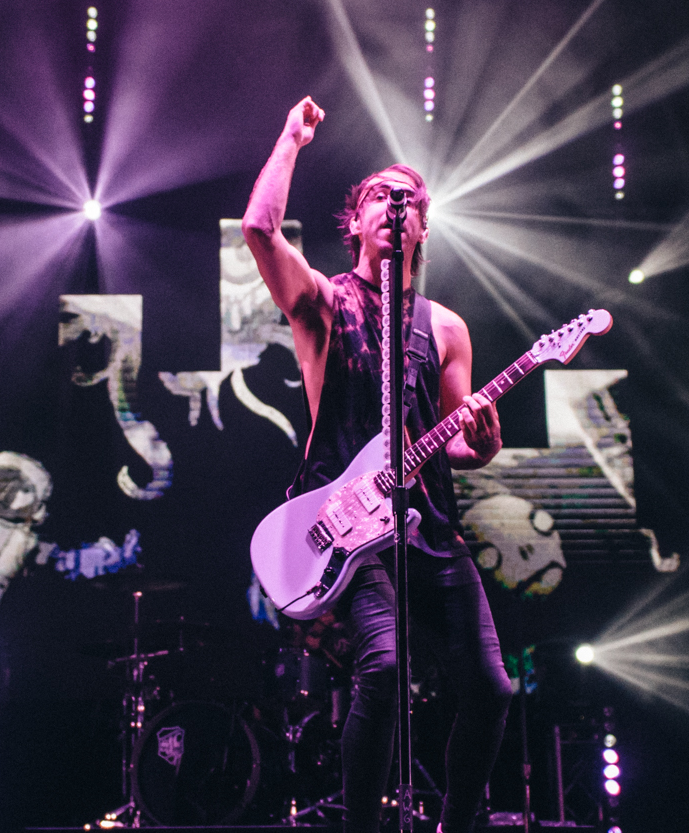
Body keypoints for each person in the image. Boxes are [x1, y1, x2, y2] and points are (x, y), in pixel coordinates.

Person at [242, 96, 513, 833]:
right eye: (381, 197)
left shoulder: (445, 327)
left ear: (422, 227)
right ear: (357, 220)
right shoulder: (326, 304)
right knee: (385, 667)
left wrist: (481, 445)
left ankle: (458, 823)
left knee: (491, 687)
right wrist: (290, 138)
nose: (397, 206)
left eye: (410, 201)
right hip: (349, 527)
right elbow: (260, 229)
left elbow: (453, 440)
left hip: (428, 526)